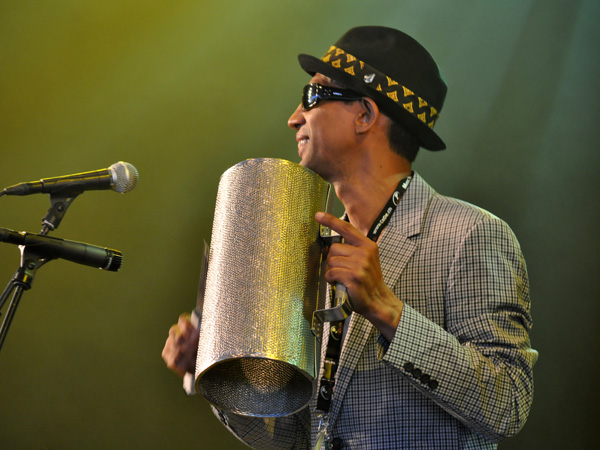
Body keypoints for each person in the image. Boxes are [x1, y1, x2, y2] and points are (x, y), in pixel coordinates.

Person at [162, 26, 538, 449]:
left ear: (365, 115)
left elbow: (508, 402)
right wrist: (222, 375)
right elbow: (295, 436)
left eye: (313, 95)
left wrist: (388, 310)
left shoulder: (472, 232)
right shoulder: (310, 250)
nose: (294, 117)